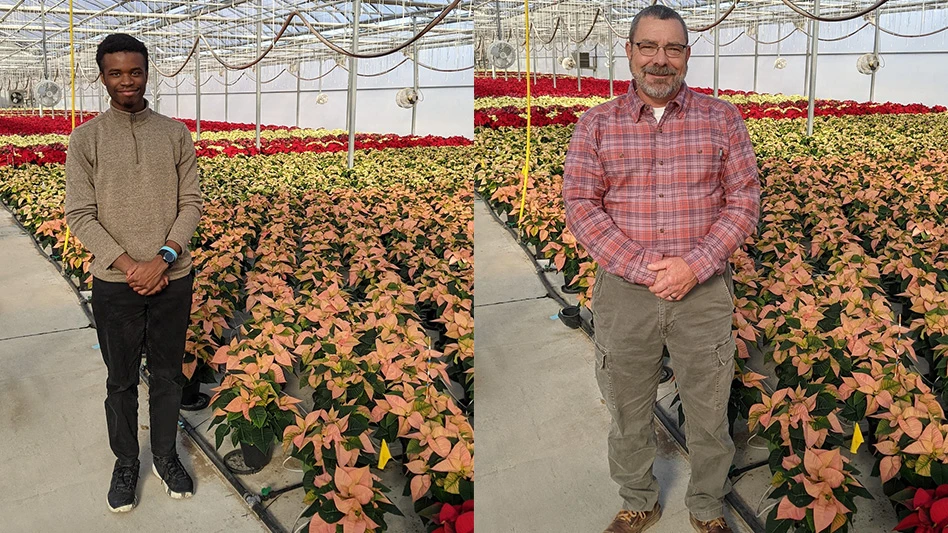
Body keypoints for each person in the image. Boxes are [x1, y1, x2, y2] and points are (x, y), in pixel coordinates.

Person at [563, 6, 761, 533]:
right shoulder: (596, 125)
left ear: (687, 57)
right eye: (648, 46)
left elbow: (743, 201)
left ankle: (707, 506)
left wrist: (694, 266)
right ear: (628, 53)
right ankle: (638, 498)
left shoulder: (722, 119)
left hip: (703, 292)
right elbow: (582, 204)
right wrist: (642, 267)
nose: (660, 59)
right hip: (625, 293)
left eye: (673, 48)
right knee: (628, 407)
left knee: (707, 408)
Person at [65, 33, 203, 513]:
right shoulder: (85, 139)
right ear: (102, 76)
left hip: (172, 277)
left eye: (135, 71)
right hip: (116, 286)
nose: (127, 80)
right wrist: (130, 267)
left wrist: (162, 258)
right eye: (116, 72)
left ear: (148, 72)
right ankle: (126, 461)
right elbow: (80, 213)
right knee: (120, 380)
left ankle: (165, 456)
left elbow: (191, 203)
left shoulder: (175, 133)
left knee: (167, 376)